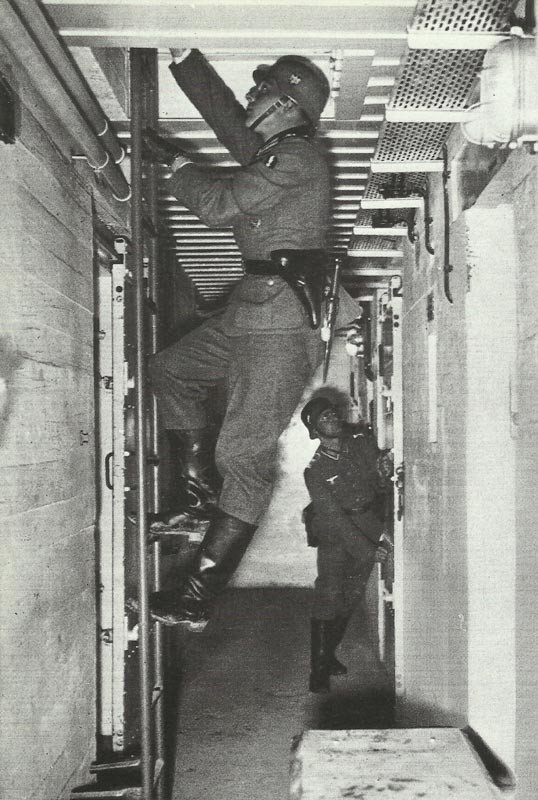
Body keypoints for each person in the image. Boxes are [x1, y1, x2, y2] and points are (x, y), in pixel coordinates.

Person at [141, 48, 331, 629]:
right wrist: (186, 61)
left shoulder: (299, 159)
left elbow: (222, 205)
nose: (251, 98)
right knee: (171, 369)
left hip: (281, 327)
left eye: (262, 91)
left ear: (286, 106)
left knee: (243, 457)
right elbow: (230, 121)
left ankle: (197, 595)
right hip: (252, 311)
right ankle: (201, 502)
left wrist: (174, 167)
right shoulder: (277, 150)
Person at [301, 396, 392, 693]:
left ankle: (328, 657)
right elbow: (334, 519)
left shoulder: (359, 445)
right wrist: (369, 550)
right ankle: (318, 671)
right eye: (323, 418)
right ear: (314, 431)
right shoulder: (314, 470)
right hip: (333, 536)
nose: (332, 418)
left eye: (332, 414)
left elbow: (378, 483)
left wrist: (383, 471)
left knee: (351, 597)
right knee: (328, 594)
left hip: (367, 523)